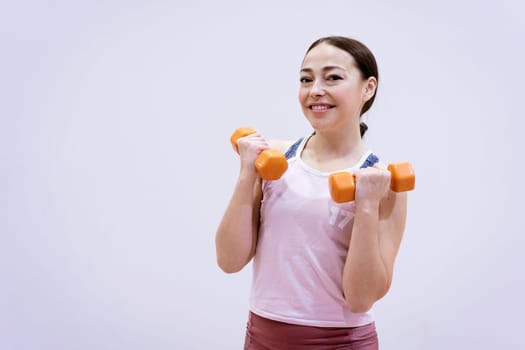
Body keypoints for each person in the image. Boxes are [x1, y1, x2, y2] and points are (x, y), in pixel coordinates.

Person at [215, 36, 408, 350]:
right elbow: (229, 260)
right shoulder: (273, 159)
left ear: (368, 88)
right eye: (306, 79)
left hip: (340, 342)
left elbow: (360, 299)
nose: (315, 89)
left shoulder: (383, 182)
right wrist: (246, 173)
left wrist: (368, 206)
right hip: (263, 336)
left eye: (333, 77)